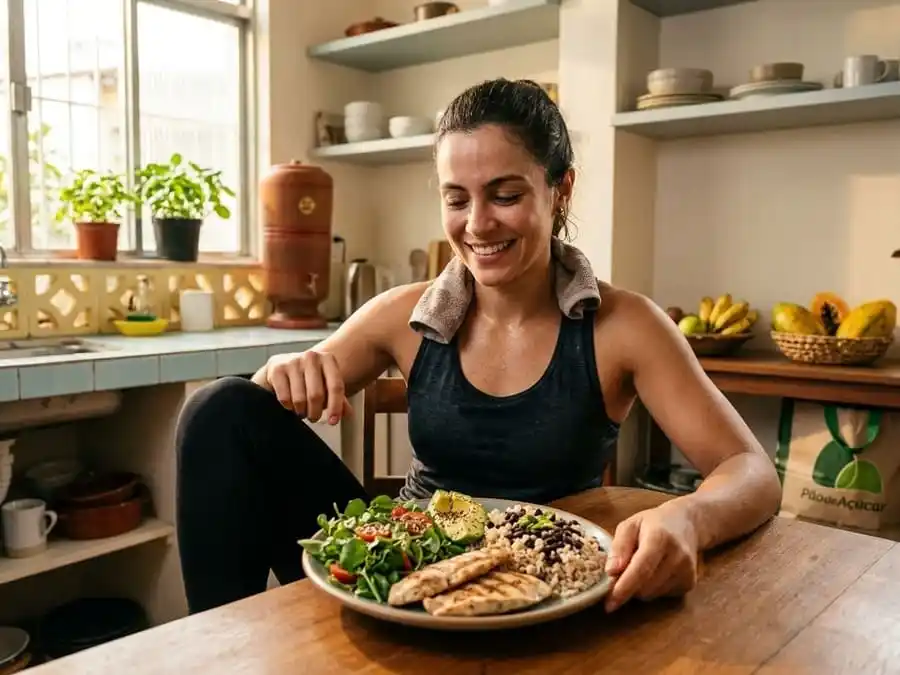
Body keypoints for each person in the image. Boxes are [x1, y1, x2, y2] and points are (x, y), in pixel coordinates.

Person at [175, 78, 781, 616]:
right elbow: (258, 421)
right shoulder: (402, 314)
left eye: (505, 194)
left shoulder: (625, 326)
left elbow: (751, 472)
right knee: (220, 408)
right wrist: (281, 372)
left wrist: (687, 516)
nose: (477, 224)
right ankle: (218, 651)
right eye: (457, 198)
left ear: (559, 189)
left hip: (543, 579)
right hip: (403, 556)